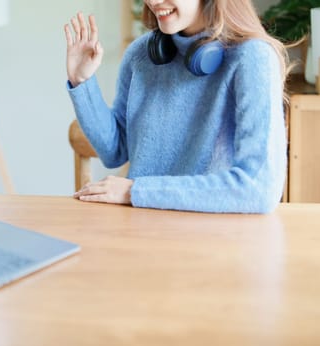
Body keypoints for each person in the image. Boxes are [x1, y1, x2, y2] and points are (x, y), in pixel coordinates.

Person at [64, 0, 289, 213]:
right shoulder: (141, 54)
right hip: (140, 229)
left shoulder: (252, 58)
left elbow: (260, 188)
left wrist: (136, 191)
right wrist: (81, 81)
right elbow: (114, 151)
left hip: (214, 240)